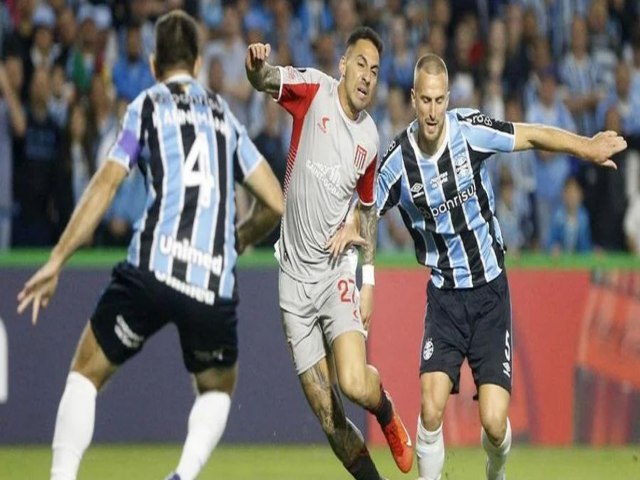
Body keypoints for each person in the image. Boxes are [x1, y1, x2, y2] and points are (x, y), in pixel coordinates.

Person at [17, 10, 284, 480]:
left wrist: (57, 259)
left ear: (156, 63)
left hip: (153, 269)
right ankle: (182, 474)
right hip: (211, 284)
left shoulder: (146, 105)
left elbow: (106, 183)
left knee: (85, 373)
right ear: (199, 63)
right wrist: (238, 238)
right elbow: (276, 204)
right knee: (218, 388)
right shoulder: (226, 117)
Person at [347, 53, 626, 480]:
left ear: (448, 99)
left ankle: (496, 473)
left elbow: (529, 135)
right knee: (430, 403)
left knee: (495, 423)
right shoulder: (397, 162)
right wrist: (363, 276)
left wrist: (586, 147)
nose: (433, 111)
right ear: (413, 98)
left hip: (490, 293)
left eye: (440, 100)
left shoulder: (469, 130)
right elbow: (365, 215)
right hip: (444, 298)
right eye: (425, 100)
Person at [245, 28, 413, 480]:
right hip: (293, 280)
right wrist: (258, 65)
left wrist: (370, 279)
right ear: (343, 65)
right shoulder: (313, 91)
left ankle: (387, 411)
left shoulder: (371, 140)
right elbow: (266, 79)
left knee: (355, 384)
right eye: (360, 65)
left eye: (375, 71)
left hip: (336, 272)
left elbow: (367, 207)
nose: (367, 77)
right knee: (329, 417)